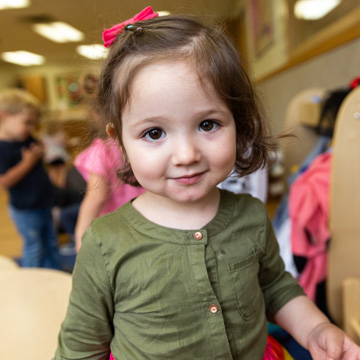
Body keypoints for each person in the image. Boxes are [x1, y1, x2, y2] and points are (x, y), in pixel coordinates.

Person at [54, 7, 360, 360]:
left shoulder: (249, 214)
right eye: (154, 132)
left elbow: (275, 288)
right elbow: (80, 347)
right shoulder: (105, 243)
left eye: (208, 124)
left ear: (238, 122)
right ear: (120, 142)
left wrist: (316, 329)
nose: (186, 154)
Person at [0, 89, 60, 269]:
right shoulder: (2, 148)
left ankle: (54, 273)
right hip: (26, 210)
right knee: (35, 247)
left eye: (33, 124)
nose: (31, 129)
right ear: (3, 117)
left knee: (51, 242)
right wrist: (27, 162)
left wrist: (40, 153)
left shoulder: (26, 138)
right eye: (27, 123)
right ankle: (31, 279)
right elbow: (5, 181)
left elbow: (37, 159)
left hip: (43, 202)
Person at [73, 112, 145, 252]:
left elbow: (96, 197)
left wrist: (80, 236)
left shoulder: (101, 151)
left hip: (115, 229)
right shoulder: (147, 144)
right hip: (149, 222)